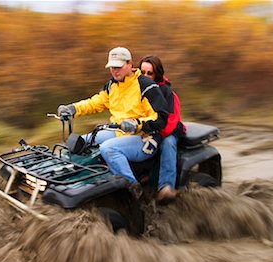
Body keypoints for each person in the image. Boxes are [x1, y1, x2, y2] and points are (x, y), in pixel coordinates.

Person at [57, 47, 168, 200]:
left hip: (145, 138)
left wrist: (137, 124)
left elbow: (161, 118)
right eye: (112, 67)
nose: (115, 71)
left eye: (119, 66)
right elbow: (95, 103)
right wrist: (73, 108)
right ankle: (65, 179)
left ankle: (133, 189)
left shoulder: (146, 86)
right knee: (83, 141)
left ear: (130, 64)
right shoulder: (112, 86)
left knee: (108, 149)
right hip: (119, 132)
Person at [138, 55, 185, 203]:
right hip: (147, 128)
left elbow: (171, 120)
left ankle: (166, 186)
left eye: (149, 73)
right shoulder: (135, 90)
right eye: (142, 72)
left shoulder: (167, 93)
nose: (145, 76)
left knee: (168, 144)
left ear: (156, 74)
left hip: (167, 130)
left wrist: (157, 135)